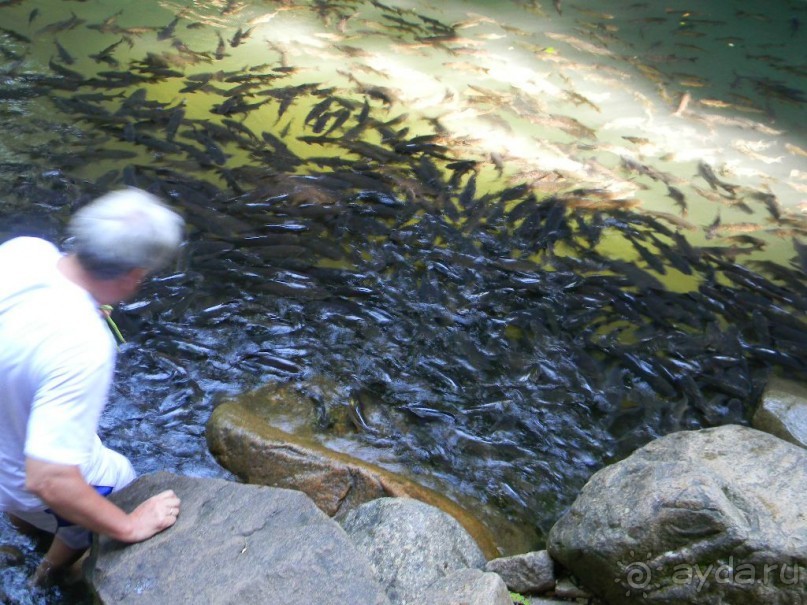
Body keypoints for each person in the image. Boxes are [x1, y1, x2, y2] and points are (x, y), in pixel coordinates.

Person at [0, 188, 185, 585]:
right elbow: (48, 478)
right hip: (24, 481)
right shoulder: (84, 343)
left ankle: (24, 527)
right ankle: (46, 574)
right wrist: (128, 525)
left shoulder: (23, 252)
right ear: (132, 277)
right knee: (122, 481)